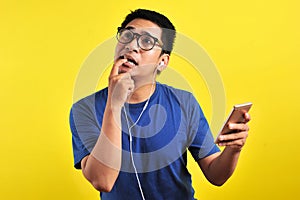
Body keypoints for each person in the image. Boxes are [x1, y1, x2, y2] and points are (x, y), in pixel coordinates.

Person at [69, 9, 251, 200]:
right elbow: (102, 181)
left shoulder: (184, 102)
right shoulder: (85, 110)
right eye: (127, 35)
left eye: (147, 41)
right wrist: (114, 105)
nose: (131, 45)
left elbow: (216, 174)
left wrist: (233, 149)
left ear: (162, 61)